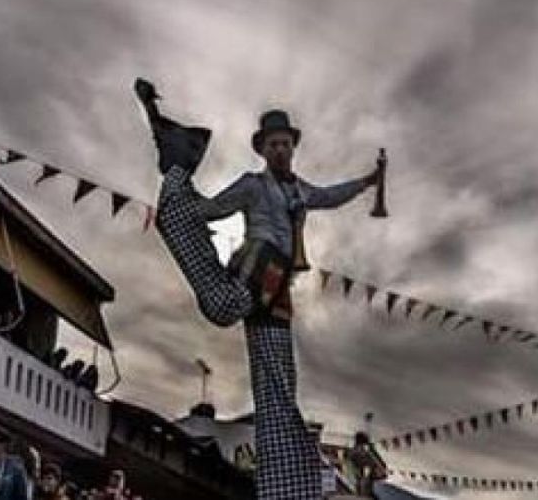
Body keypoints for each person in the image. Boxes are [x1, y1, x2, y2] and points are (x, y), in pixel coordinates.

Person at [135, 80, 379, 499]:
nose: (281, 150)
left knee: (278, 381)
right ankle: (177, 160)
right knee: (222, 305)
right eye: (274, 144)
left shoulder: (300, 190)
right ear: (263, 150)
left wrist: (367, 182)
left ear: (293, 148)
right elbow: (213, 209)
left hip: (279, 289)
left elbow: (330, 195)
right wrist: (185, 199)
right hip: (257, 267)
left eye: (286, 144)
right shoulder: (252, 185)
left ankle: (286, 489)